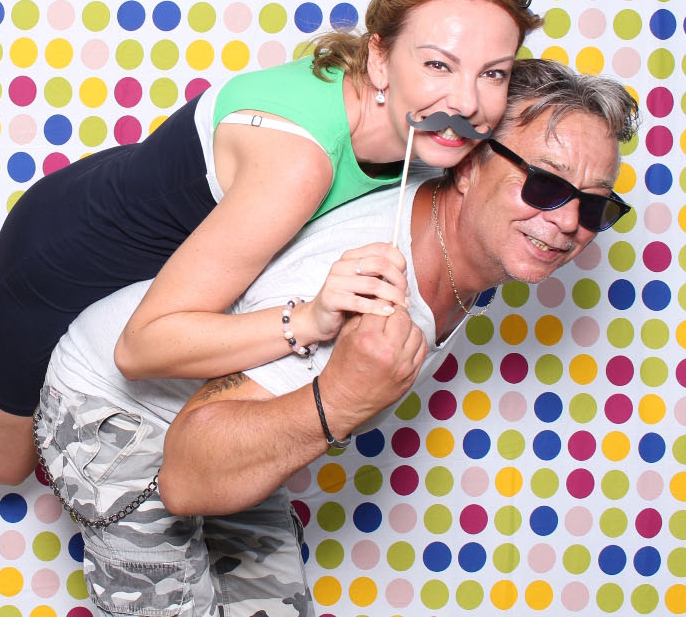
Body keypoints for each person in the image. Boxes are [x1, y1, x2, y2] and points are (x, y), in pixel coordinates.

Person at [0, 0, 537, 484]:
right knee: (2, 460)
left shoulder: (414, 130)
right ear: (378, 57)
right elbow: (142, 349)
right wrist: (308, 321)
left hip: (127, 241)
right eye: (438, 64)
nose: (468, 101)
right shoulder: (298, 165)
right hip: (64, 262)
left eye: (493, 74)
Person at [36, 59, 638, 617]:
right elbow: (187, 478)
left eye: (594, 206)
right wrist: (341, 399)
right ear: (470, 164)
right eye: (545, 184)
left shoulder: (467, 240)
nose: (568, 222)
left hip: (236, 417)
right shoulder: (370, 280)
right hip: (116, 409)